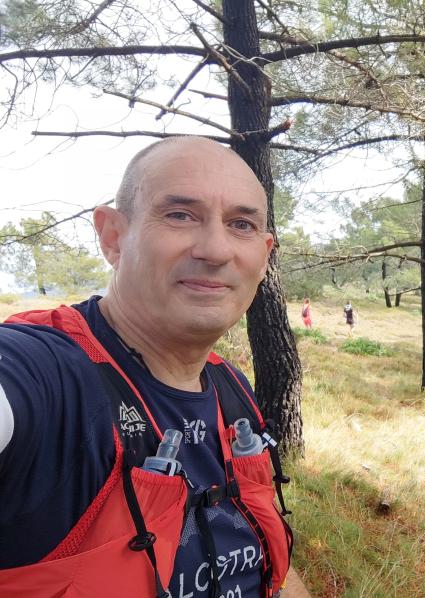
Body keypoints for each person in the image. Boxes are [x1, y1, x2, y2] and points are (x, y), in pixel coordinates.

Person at [0, 137, 299, 598]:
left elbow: (260, 557)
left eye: (241, 225)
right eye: (180, 215)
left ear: (264, 255)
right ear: (113, 236)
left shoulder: (230, 386)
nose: (216, 249)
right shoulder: (46, 373)